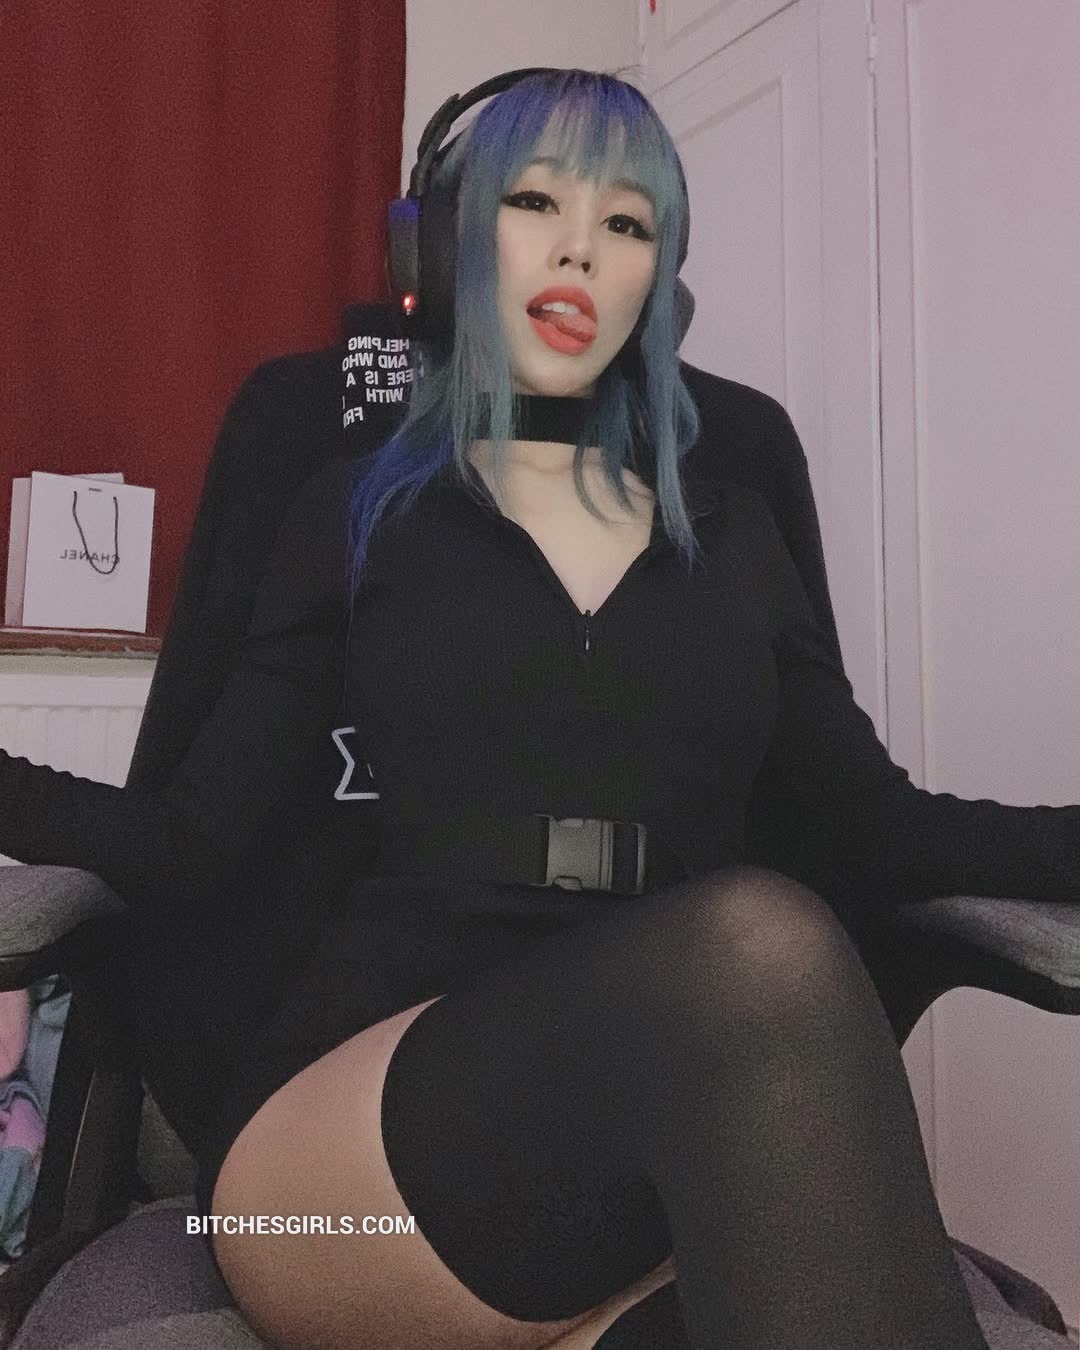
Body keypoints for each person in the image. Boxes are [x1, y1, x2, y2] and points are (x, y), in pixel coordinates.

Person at [2, 67, 1078, 1349]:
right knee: (759, 942)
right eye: (535, 202)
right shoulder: (362, 511)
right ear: (458, 245)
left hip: (629, 1153)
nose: (579, 247)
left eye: (626, 222)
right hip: (341, 1169)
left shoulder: (735, 539)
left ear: (657, 279)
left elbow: (885, 827)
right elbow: (189, 839)